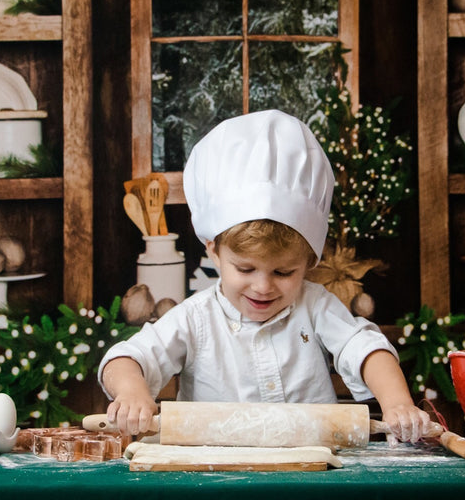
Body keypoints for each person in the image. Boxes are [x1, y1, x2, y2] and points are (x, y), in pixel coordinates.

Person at [98, 109, 430, 442]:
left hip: (313, 472)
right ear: (213, 249)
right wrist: (131, 393)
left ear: (310, 259)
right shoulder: (195, 318)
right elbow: (128, 357)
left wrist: (397, 402)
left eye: (284, 271)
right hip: (214, 478)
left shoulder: (314, 307)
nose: (263, 286)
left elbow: (366, 349)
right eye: (245, 269)